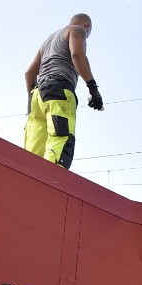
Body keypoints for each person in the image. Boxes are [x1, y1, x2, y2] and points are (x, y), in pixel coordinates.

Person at [23, 13, 104, 169]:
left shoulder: (48, 41)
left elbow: (29, 74)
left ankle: (28, 186)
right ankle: (51, 185)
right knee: (60, 139)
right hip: (59, 90)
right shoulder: (78, 30)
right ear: (87, 27)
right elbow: (77, 54)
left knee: (33, 152)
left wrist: (32, 98)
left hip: (38, 95)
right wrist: (93, 88)